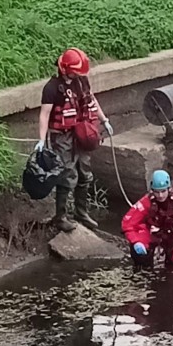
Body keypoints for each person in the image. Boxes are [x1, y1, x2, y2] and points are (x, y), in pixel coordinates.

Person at [36, 47, 112, 232]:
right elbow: (44, 115)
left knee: (84, 173)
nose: (77, 75)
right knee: (67, 174)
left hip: (82, 133)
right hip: (62, 137)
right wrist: (41, 139)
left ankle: (81, 212)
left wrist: (104, 120)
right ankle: (61, 217)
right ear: (64, 69)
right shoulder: (52, 88)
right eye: (74, 72)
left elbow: (92, 101)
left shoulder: (82, 81)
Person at [121, 170, 173, 269]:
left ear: (169, 188)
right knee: (140, 257)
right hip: (155, 234)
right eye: (157, 191)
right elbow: (127, 223)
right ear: (152, 190)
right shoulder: (146, 202)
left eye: (163, 191)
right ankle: (143, 268)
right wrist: (136, 242)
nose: (160, 196)